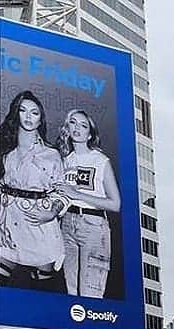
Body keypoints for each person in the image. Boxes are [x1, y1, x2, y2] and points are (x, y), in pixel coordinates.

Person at [0, 90, 68, 291]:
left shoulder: (51, 154)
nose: (28, 116)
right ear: (15, 114)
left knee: (44, 302)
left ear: (40, 118)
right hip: (6, 226)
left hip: (40, 228)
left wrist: (52, 212)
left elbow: (62, 193)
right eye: (23, 110)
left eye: (34, 112)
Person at [54, 109, 120, 298]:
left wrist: (77, 194)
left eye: (83, 126)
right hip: (66, 225)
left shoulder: (100, 161)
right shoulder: (65, 160)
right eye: (73, 123)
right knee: (72, 293)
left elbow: (115, 204)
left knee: (90, 293)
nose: (77, 128)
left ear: (89, 134)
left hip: (93, 225)